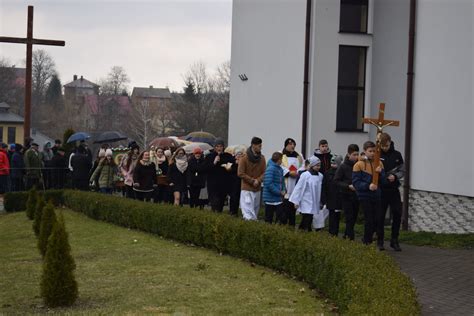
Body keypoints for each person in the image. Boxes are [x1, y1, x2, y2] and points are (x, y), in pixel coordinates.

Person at [353, 141, 385, 250]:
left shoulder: (379, 163)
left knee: (378, 219)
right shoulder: (359, 164)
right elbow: (356, 182)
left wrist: (381, 173)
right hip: (365, 195)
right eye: (370, 151)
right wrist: (368, 186)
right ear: (365, 151)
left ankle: (379, 241)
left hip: (376, 195)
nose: (372, 153)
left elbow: (383, 181)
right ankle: (367, 241)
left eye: (374, 151)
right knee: (369, 219)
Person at [379, 133, 405, 251]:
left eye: (387, 145)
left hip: (394, 189)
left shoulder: (397, 154)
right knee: (380, 216)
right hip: (381, 190)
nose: (385, 148)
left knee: (397, 213)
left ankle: (394, 240)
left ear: (390, 142)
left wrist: (395, 176)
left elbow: (402, 170)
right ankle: (380, 241)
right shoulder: (377, 154)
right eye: (383, 146)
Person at [289, 156, 324, 232]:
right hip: (306, 200)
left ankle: (303, 231)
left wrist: (321, 200)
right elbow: (299, 188)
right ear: (312, 165)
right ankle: (305, 231)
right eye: (317, 165)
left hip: (315, 200)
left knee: (310, 217)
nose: (318, 167)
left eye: (319, 165)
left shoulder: (320, 176)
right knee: (307, 217)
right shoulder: (305, 175)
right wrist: (296, 201)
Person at [334, 144, 360, 240]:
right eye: (354, 154)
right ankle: (350, 237)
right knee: (349, 216)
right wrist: (348, 186)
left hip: (356, 195)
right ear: (349, 155)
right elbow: (336, 180)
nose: (356, 157)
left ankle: (347, 233)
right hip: (346, 195)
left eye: (357, 154)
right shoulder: (343, 167)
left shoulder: (359, 165)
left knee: (354, 217)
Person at [238, 137, 266, 221]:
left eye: (261, 146)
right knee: (247, 213)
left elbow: (265, 172)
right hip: (246, 189)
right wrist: (252, 180)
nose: (261, 147)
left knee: (255, 212)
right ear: (253, 145)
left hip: (257, 188)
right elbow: (240, 173)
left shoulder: (262, 158)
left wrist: (258, 180)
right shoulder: (244, 158)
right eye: (259, 146)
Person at [205, 138, 235, 212]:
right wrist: (214, 162)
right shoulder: (209, 156)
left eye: (220, 146)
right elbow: (206, 169)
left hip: (223, 184)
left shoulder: (228, 156)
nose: (219, 148)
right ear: (214, 147)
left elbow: (233, 168)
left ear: (223, 147)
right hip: (212, 184)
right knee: (215, 203)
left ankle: (219, 220)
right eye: (217, 146)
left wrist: (229, 168)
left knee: (220, 204)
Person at [280, 138, 305, 225]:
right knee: (284, 210)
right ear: (286, 145)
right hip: (286, 182)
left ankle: (291, 225)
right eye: (290, 144)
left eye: (293, 144)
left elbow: (303, 166)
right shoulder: (281, 154)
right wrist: (288, 172)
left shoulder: (299, 155)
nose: (292, 146)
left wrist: (297, 172)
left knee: (292, 211)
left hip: (295, 182)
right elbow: (279, 166)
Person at [262, 152, 286, 224]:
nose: (282, 161)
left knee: (281, 219)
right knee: (269, 220)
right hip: (270, 199)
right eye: (281, 159)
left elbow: (282, 181)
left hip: (278, 199)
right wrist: (279, 192)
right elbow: (269, 184)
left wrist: (284, 189)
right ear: (278, 160)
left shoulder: (280, 169)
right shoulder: (270, 169)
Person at [323, 155, 343, 236]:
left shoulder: (341, 172)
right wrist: (324, 199)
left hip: (337, 198)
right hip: (331, 198)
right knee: (333, 216)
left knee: (336, 216)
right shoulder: (328, 173)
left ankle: (334, 232)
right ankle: (332, 232)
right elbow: (324, 186)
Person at [229, 148, 245, 216]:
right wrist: (236, 164)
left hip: (241, 183)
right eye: (238, 154)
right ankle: (232, 212)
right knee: (233, 198)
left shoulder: (243, 163)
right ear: (235, 155)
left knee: (238, 198)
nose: (239, 156)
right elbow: (229, 170)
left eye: (240, 155)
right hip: (233, 183)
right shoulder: (232, 162)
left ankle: (236, 212)